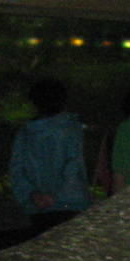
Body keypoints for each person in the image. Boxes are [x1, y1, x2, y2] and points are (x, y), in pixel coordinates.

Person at [8, 78, 91, 233]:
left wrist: (33, 195)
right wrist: (57, 195)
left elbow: (17, 170)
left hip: (38, 207)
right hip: (71, 203)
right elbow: (73, 166)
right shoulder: (71, 128)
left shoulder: (26, 133)